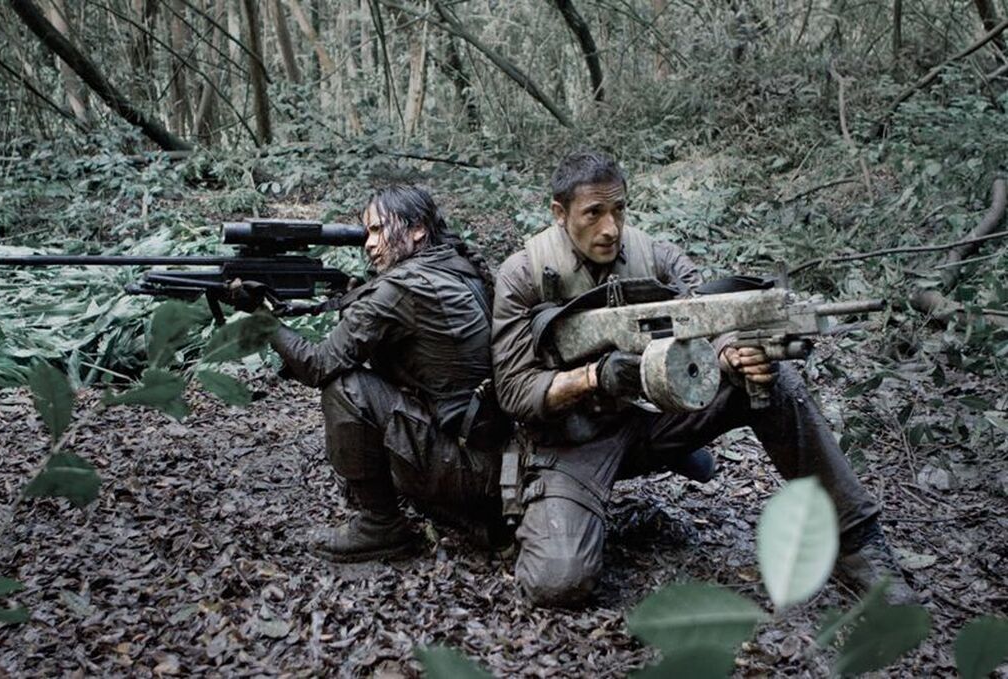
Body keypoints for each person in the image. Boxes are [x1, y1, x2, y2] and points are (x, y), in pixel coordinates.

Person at [491, 150, 913, 607]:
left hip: (655, 418)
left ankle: (856, 540)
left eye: (619, 209)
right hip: (574, 442)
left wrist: (732, 354)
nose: (610, 228)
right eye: (593, 213)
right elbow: (514, 390)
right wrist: (593, 378)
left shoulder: (654, 257)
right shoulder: (524, 275)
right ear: (559, 213)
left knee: (776, 381)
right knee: (558, 582)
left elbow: (709, 320)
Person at [267, 185, 506, 562]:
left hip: (469, 469)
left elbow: (318, 365)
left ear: (418, 229)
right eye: (367, 232)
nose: (369, 243)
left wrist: (262, 322)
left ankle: (380, 526)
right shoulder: (455, 266)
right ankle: (451, 509)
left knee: (346, 388)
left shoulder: (403, 287)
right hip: (495, 460)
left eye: (378, 230)